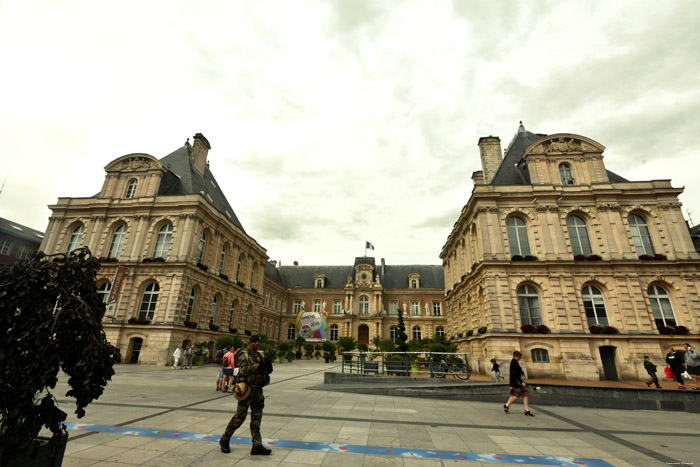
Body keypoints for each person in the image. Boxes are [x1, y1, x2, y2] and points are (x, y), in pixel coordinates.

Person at [220, 335, 272, 456]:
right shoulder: (245, 355)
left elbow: (267, 370)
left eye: (259, 342)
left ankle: (257, 445)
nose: (257, 344)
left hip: (258, 391)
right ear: (250, 343)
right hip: (247, 390)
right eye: (254, 342)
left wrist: (267, 366)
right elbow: (242, 370)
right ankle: (225, 439)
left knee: (256, 419)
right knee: (239, 418)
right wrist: (256, 366)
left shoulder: (261, 355)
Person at [503, 350, 533, 416]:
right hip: (517, 382)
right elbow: (515, 374)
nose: (520, 358)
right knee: (516, 396)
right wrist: (522, 382)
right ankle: (506, 405)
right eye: (519, 357)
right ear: (516, 356)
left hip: (518, 382)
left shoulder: (515, 362)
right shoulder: (514, 363)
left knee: (525, 394)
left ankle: (527, 410)